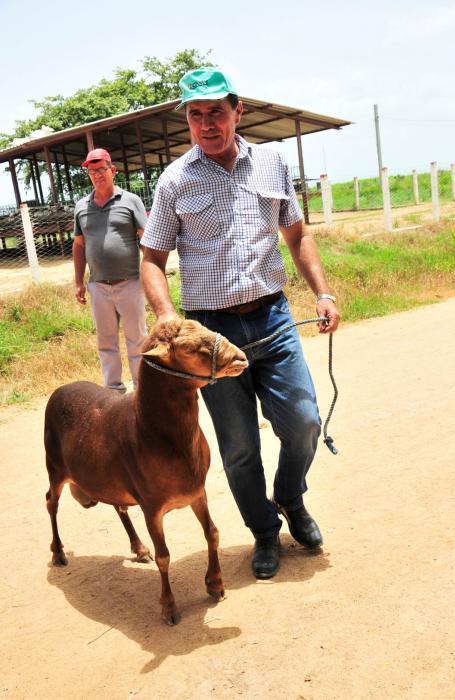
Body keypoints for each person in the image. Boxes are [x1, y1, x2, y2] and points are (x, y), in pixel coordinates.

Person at [140, 68, 340, 578]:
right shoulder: (175, 180)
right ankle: (265, 532)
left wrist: (322, 291)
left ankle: (291, 499)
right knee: (238, 448)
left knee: (303, 423)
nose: (206, 124)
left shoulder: (271, 163)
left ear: (238, 111)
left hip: (273, 319)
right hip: (211, 336)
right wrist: (166, 314)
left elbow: (297, 235)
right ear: (188, 119)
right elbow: (151, 259)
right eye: (195, 114)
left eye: (216, 112)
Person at [73, 148, 147, 393]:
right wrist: (78, 282)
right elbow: (79, 244)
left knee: (137, 339)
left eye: (101, 169)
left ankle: (141, 390)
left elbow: (144, 238)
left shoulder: (130, 200)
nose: (97, 175)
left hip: (130, 282)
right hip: (98, 285)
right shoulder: (82, 206)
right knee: (106, 342)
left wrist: (151, 273)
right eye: (92, 171)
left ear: (112, 171)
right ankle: (113, 390)